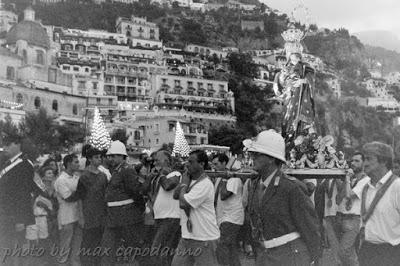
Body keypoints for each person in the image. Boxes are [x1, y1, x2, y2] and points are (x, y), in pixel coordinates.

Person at [243, 129, 321, 266]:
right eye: (252, 153)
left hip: (290, 257)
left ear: (271, 158)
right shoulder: (254, 185)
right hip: (265, 257)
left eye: (257, 154)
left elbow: (310, 228)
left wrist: (313, 259)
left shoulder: (292, 187)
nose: (252, 157)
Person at [0, 134, 43, 265]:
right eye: (4, 144)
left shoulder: (24, 164)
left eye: (8, 144)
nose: (4, 147)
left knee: (16, 252)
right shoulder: (7, 163)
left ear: (17, 144)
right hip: (5, 214)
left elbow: (23, 194)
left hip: (16, 217)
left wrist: (20, 219)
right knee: (6, 249)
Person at [172, 150, 220, 266]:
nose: (187, 164)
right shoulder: (189, 179)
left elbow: (183, 203)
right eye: (187, 161)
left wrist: (183, 184)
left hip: (204, 237)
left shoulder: (205, 184)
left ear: (202, 164)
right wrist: (184, 183)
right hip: (187, 236)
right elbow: (175, 195)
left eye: (191, 162)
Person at [102, 140, 146, 265]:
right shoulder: (117, 170)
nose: (111, 159)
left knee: (129, 250)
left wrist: (139, 210)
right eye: (110, 156)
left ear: (122, 156)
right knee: (110, 250)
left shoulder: (126, 170)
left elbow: (135, 192)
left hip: (126, 217)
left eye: (114, 156)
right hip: (114, 217)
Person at [358, 142, 400, 266]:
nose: (364, 164)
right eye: (364, 159)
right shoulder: (366, 187)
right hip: (366, 251)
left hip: (390, 254)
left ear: (383, 162)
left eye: (368, 159)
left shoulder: (397, 186)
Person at [65, 146, 108, 266]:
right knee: (88, 243)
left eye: (100, 157)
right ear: (90, 159)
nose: (99, 159)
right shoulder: (84, 177)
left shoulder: (103, 176)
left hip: (101, 215)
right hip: (88, 214)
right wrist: (81, 216)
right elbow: (79, 198)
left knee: (99, 242)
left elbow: (105, 196)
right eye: (96, 157)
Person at [334, 152, 370, 266]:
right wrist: (346, 180)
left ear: (364, 163)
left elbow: (350, 195)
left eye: (357, 161)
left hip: (352, 220)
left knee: (343, 252)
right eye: (352, 161)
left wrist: (347, 179)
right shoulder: (351, 179)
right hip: (340, 217)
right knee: (346, 253)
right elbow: (338, 199)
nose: (353, 163)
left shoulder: (366, 180)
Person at [150, 150, 181, 266]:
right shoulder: (158, 177)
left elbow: (168, 186)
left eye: (157, 160)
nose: (154, 162)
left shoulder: (176, 174)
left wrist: (162, 174)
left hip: (170, 217)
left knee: (156, 249)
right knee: (164, 250)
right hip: (160, 217)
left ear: (166, 161)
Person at [212, 153, 244, 266]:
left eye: (216, 164)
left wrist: (225, 179)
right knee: (230, 248)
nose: (214, 167)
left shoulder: (233, 177)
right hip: (223, 217)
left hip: (232, 218)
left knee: (222, 246)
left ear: (224, 163)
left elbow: (224, 195)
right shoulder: (219, 177)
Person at [53, 153, 83, 266]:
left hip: (77, 216)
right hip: (66, 217)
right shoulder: (61, 180)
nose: (78, 164)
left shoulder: (76, 177)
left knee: (76, 245)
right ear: (69, 164)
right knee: (65, 246)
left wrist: (77, 193)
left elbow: (77, 194)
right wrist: (79, 192)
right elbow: (69, 198)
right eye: (76, 162)